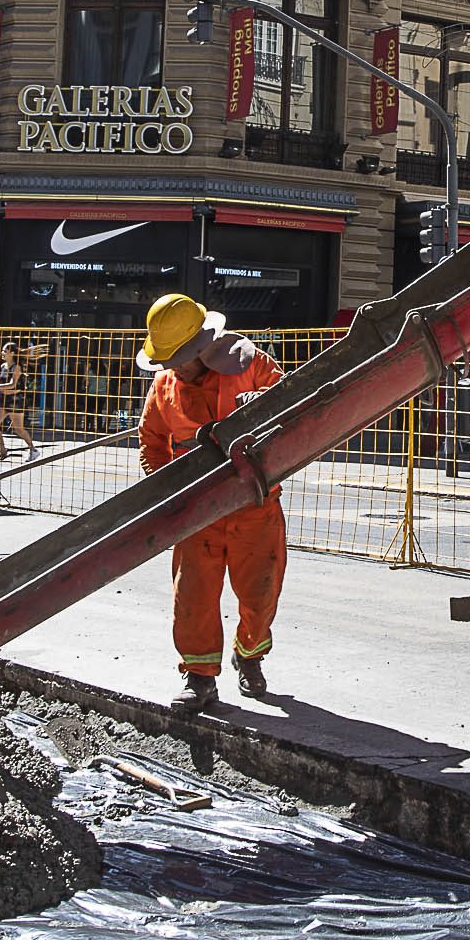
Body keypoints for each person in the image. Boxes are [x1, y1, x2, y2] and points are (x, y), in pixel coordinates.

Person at [136, 292, 285, 714]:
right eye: (167, 358)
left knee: (260, 593)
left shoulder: (250, 364)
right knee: (194, 597)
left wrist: (265, 408)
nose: (172, 367)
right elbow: (151, 440)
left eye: (180, 357)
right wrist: (168, 491)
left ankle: (249, 653)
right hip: (198, 511)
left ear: (204, 347)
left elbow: (288, 407)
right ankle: (199, 678)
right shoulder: (164, 386)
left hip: (255, 504)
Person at [0, 338, 38, 462]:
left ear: (12, 353)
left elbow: (12, 384)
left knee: (18, 428)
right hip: (3, 399)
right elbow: (2, 381)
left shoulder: (17, 367)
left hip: (14, 400)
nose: (2, 353)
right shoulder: (3, 366)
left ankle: (33, 449)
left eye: (5, 351)